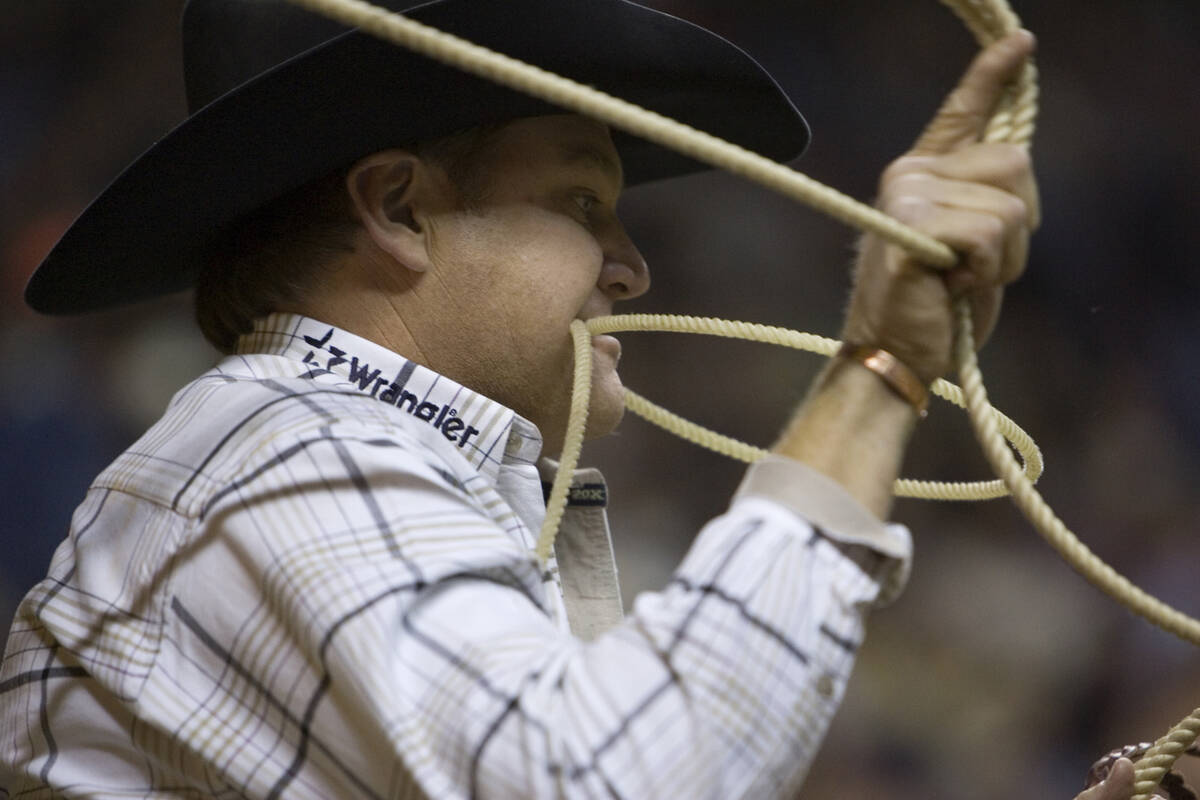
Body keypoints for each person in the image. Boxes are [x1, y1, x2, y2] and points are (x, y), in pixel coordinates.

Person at [0, 0, 1121, 797]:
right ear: (396, 206)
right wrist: (878, 372)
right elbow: (606, 780)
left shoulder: (325, 454)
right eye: (582, 200)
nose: (631, 268)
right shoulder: (290, 445)